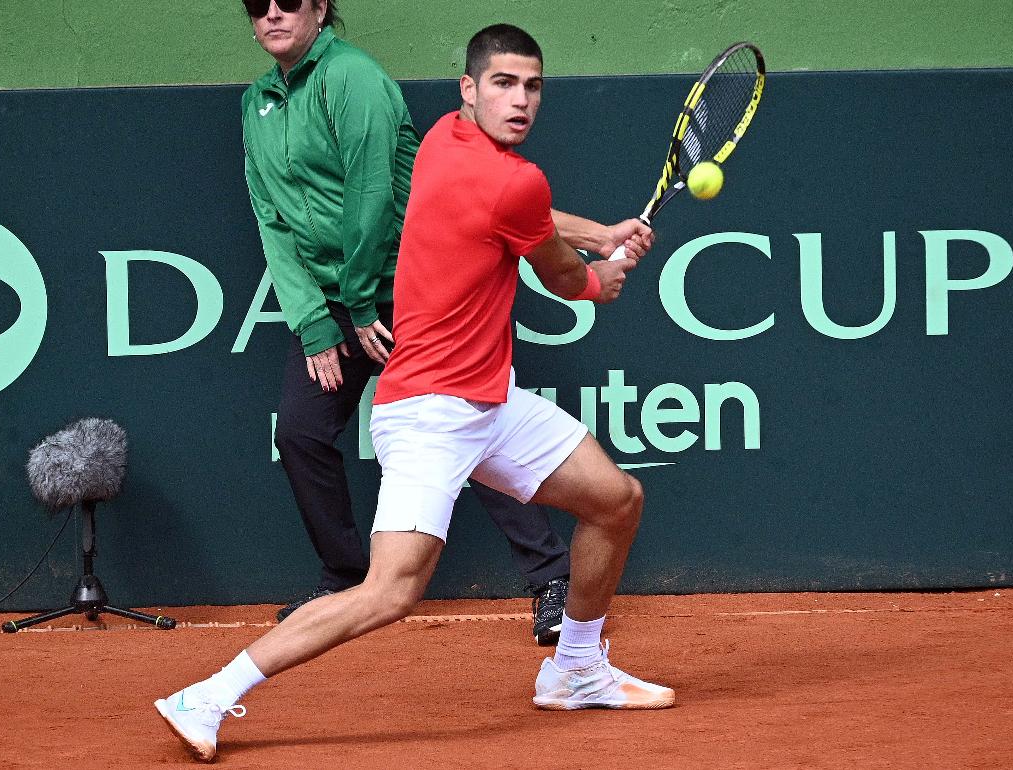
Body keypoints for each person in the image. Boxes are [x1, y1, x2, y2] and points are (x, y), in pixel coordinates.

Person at [156, 22, 674, 762]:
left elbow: (527, 221)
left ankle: (577, 671)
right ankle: (205, 694)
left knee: (617, 500)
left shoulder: (442, 142)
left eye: (532, 86)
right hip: (432, 408)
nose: (519, 100)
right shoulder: (514, 179)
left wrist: (600, 233)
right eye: (502, 83)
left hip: (489, 399)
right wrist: (602, 279)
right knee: (390, 592)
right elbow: (563, 274)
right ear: (470, 89)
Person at [236, 0, 571, 643]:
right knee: (302, 434)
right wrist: (314, 319)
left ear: (320, 8)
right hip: (336, 303)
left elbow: (374, 194)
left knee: (462, 425)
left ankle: (551, 576)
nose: (273, 13)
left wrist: (363, 301)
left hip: (406, 285)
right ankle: (346, 583)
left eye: (289, 1)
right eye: (258, 4)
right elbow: (271, 219)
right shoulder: (257, 104)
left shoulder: (353, 77)